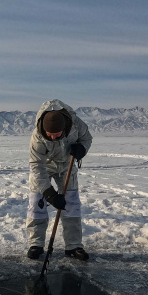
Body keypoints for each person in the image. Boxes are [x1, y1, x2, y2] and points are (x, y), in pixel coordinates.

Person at [26, 99, 92, 260]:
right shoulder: (37, 136)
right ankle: (36, 244)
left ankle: (74, 245)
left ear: (65, 129)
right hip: (45, 166)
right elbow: (36, 165)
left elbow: (87, 138)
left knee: (72, 204)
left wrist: (81, 149)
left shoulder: (76, 124)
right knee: (37, 203)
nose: (54, 138)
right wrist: (50, 194)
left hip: (67, 165)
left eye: (57, 135)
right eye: (50, 136)